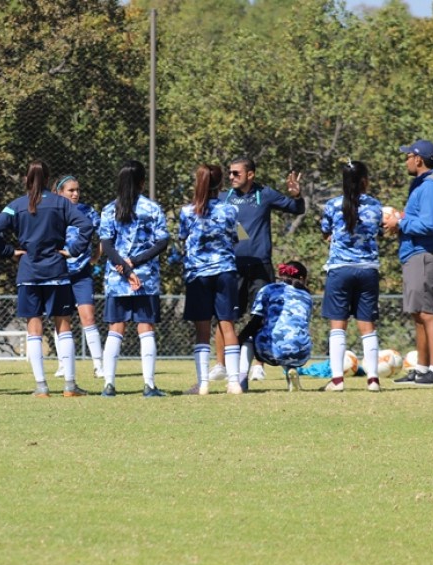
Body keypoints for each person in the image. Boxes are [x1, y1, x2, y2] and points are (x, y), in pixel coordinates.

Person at [0, 159, 93, 397]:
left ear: (26, 179)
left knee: (34, 329)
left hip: (29, 274)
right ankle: (70, 386)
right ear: (47, 181)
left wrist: (8, 252)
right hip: (56, 272)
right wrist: (73, 250)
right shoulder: (60, 204)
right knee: (63, 327)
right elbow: (86, 225)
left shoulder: (16, 206)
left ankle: (41, 386)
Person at [210, 157, 304, 383]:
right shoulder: (224, 198)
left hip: (261, 266)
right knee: (226, 317)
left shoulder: (266, 194)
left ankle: (258, 367)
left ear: (250, 174)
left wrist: (296, 195)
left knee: (261, 316)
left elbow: (297, 208)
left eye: (236, 173)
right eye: (230, 173)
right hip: (232, 267)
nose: (231, 177)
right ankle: (221, 365)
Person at [383, 140, 433, 385]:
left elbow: (432, 223)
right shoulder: (420, 185)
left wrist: (400, 223)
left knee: (428, 312)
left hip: (423, 254)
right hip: (413, 253)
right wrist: (400, 218)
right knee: (417, 313)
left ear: (419, 159)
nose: (406, 161)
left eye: (408, 156)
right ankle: (422, 370)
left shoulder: (431, 186)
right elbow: (419, 218)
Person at [99, 159, 169, 397]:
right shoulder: (152, 209)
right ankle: (149, 385)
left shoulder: (109, 209)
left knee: (115, 329)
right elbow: (162, 242)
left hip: (116, 279)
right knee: (145, 328)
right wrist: (134, 266)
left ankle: (109, 384)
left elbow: (106, 245)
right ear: (142, 182)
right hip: (145, 278)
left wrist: (124, 268)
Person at [178, 164, 242, 395]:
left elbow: (183, 237)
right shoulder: (230, 210)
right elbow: (237, 237)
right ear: (221, 184)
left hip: (197, 275)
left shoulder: (186, 212)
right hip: (225, 271)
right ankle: (234, 382)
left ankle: (203, 383)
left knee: (202, 330)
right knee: (228, 325)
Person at [320, 160, 382, 392]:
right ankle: (373, 379)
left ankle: (337, 380)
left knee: (338, 326)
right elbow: (379, 231)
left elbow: (326, 232)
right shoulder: (376, 206)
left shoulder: (333, 205)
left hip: (340, 269)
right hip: (368, 270)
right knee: (368, 326)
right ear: (365, 181)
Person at [52, 175, 104, 379]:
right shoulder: (52, 212)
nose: (75, 194)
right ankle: (63, 364)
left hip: (81, 273)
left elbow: (103, 234)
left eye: (77, 190)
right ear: (59, 192)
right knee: (61, 320)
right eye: (70, 190)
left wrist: (96, 256)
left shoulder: (88, 211)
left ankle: (99, 365)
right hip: (58, 271)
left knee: (88, 316)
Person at [239, 261, 313, 391]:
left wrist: (238, 340)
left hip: (273, 349)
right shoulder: (307, 296)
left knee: (249, 339)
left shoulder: (268, 289)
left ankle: (242, 380)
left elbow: (256, 321)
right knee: (289, 342)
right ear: (301, 278)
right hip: (301, 350)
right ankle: (291, 371)